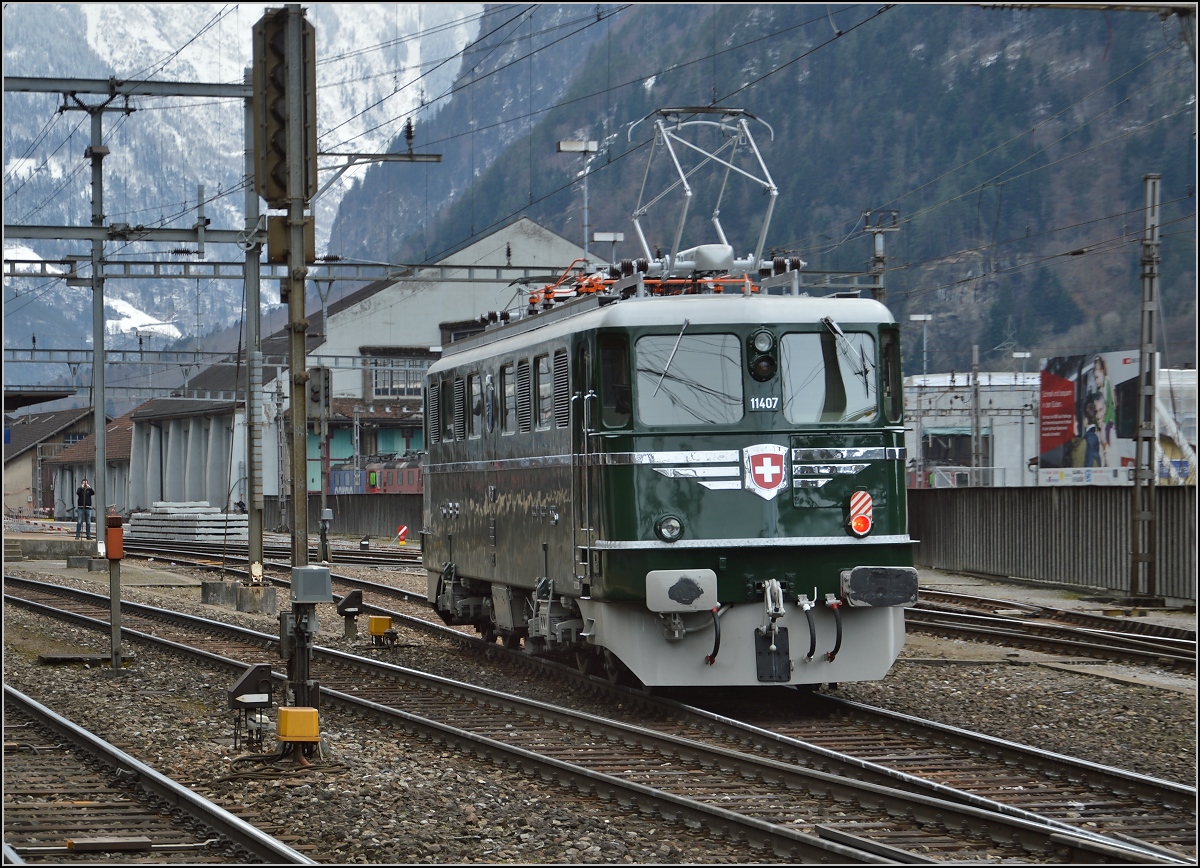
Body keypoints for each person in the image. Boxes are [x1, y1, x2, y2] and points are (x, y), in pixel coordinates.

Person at [1092, 355, 1118, 466]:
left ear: (1102, 372)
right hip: (1103, 420)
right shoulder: (1099, 388)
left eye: (1097, 377)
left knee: (1105, 434)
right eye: (1095, 378)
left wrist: (1104, 423)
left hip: (1109, 419)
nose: (1096, 381)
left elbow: (1110, 406)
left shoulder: (1107, 381)